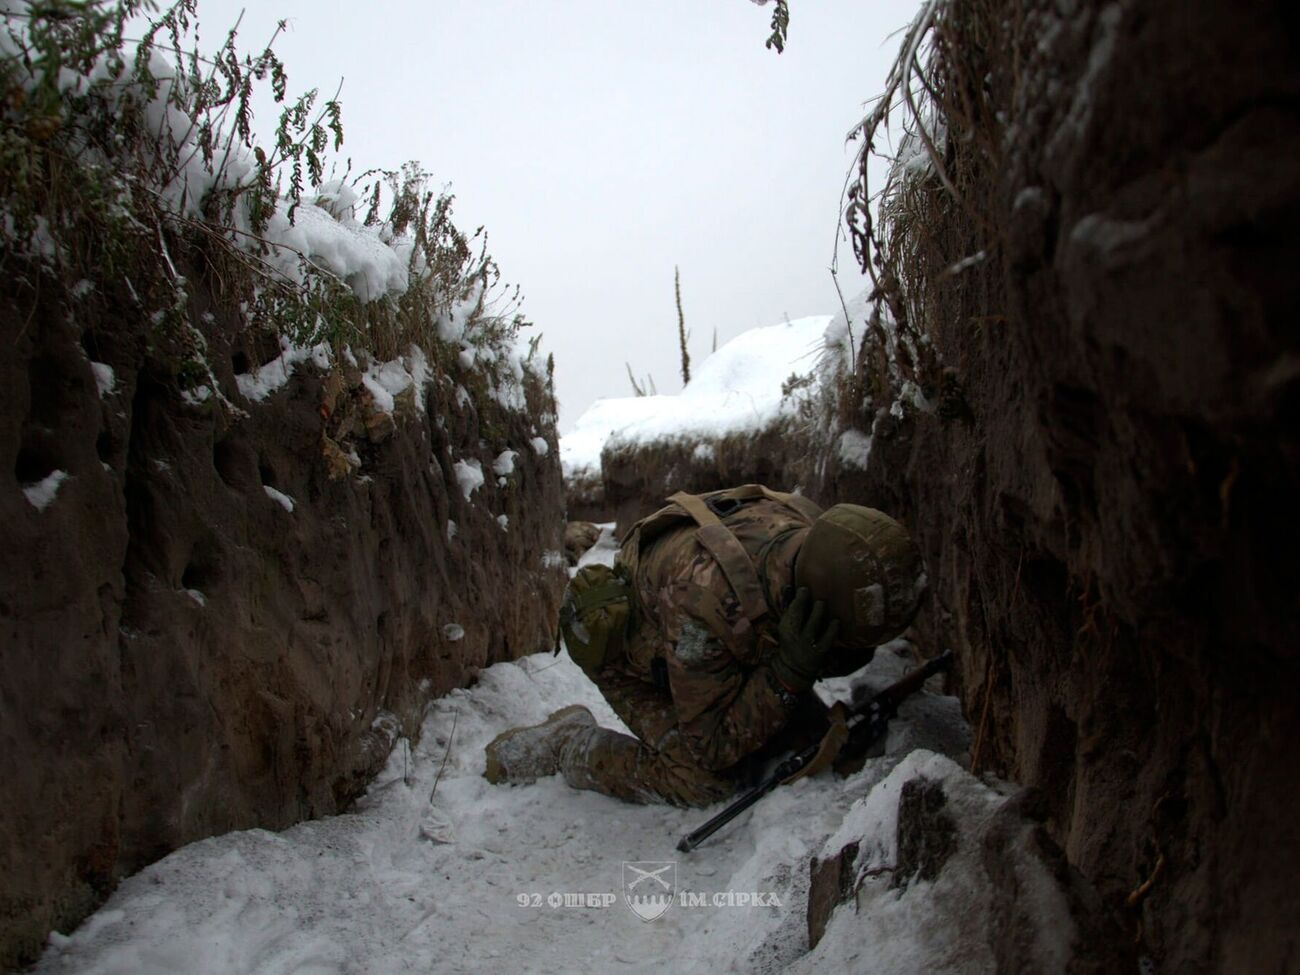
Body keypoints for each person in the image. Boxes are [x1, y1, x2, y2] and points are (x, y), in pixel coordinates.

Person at [483, 484, 925, 806]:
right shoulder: (704, 601)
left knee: (796, 731)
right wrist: (788, 672)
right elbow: (710, 744)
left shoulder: (819, 536)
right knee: (705, 781)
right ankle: (570, 745)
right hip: (635, 657)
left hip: (711, 636)